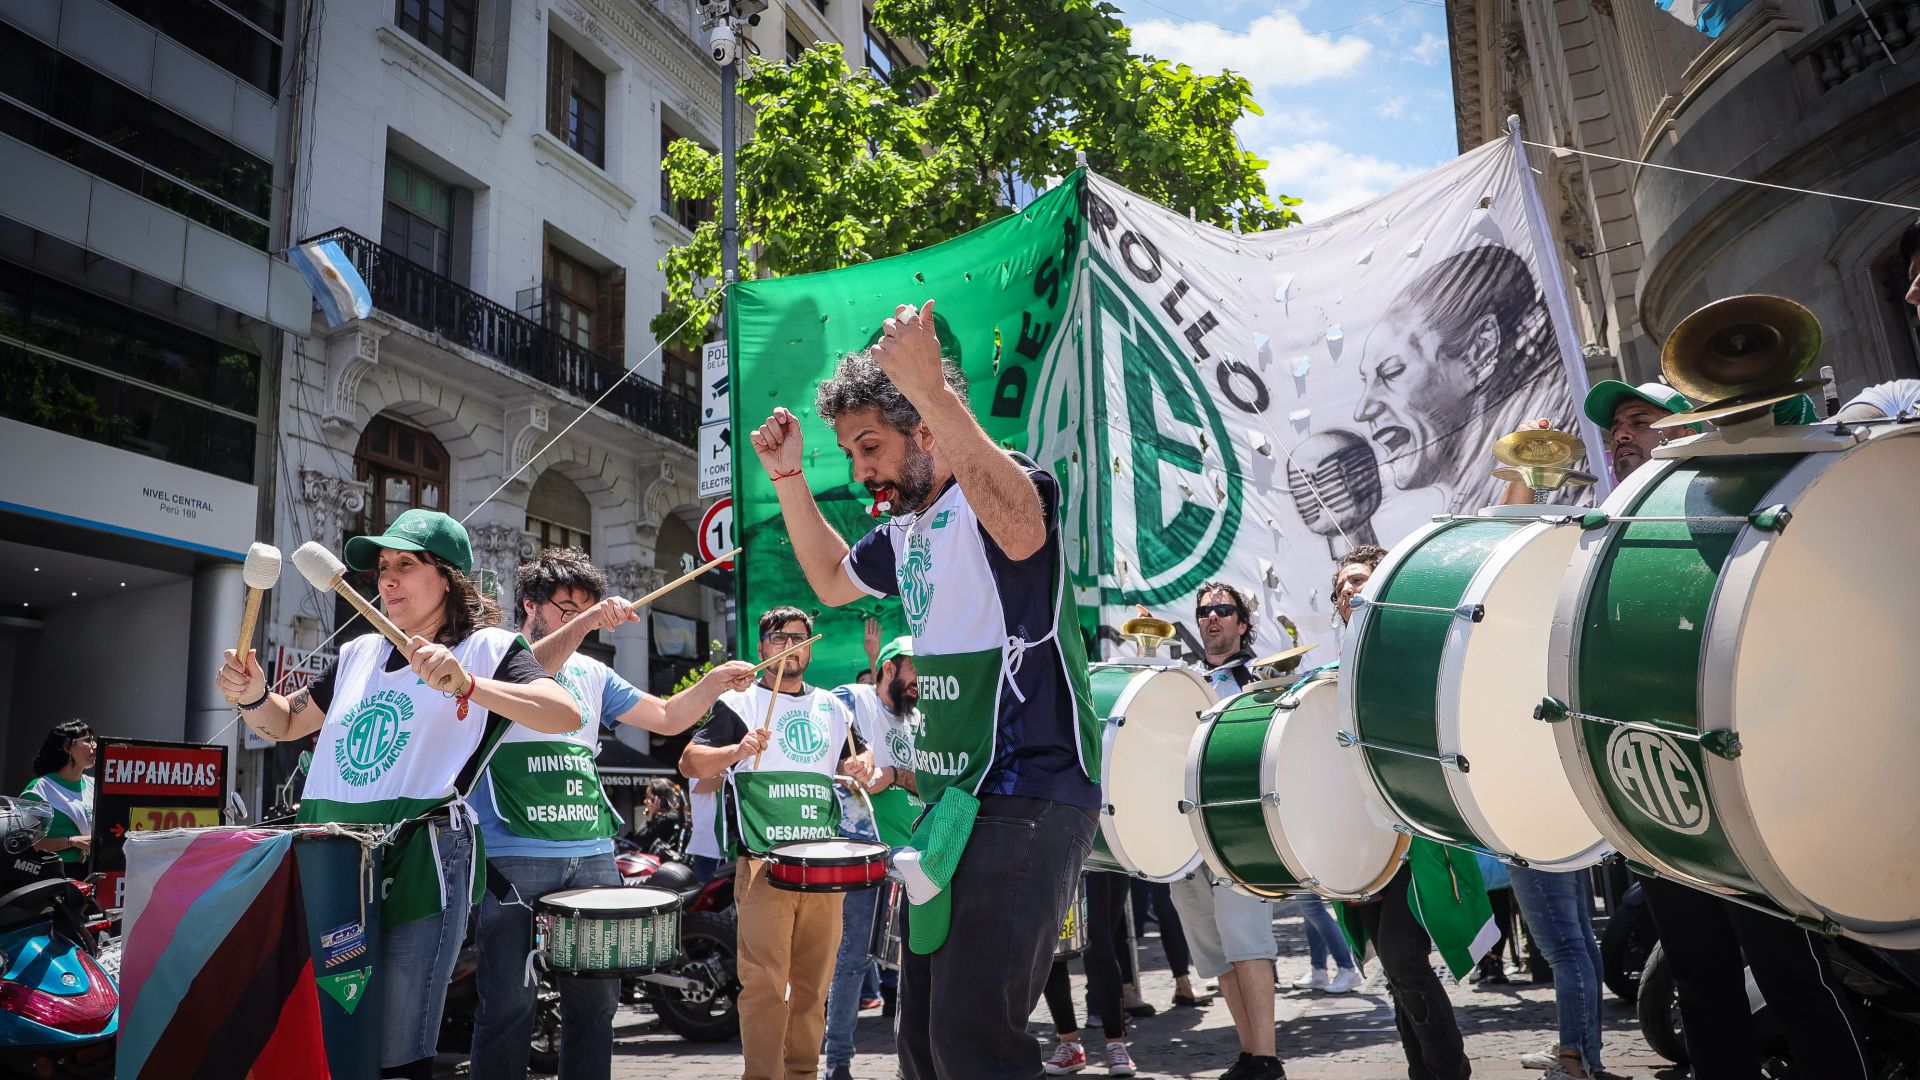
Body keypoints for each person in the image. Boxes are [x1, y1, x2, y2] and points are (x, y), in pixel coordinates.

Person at [747, 299, 1104, 1080]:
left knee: (974, 1045)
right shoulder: (904, 530)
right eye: (850, 451)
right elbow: (835, 581)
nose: (862, 469)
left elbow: (1021, 532)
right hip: (953, 806)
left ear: (927, 429)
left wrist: (936, 390)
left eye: (870, 445)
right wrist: (788, 479)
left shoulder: (1004, 489)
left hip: (1030, 790)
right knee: (924, 1048)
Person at [1558, 380, 1872, 1080]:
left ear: (1693, 426)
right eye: (1615, 430)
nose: (1621, 438)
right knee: (1702, 985)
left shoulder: (1749, 500)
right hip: (1664, 798)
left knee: (1795, 980)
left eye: (1641, 420)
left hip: (1755, 795)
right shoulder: (1608, 530)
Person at [216, 509, 582, 1080]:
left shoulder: (486, 647)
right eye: (382, 567)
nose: (386, 580)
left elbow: (564, 713)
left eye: (405, 565)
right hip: (332, 851)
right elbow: (284, 723)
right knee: (333, 1027)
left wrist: (466, 683)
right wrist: (253, 696)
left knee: (396, 1047)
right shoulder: (359, 653)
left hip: (423, 855)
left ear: (449, 578)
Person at [466, 548, 753, 1080]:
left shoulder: (594, 674)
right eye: (565, 607)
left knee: (597, 1005)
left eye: (585, 607)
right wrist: (592, 621)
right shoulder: (494, 659)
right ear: (530, 605)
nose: (577, 617)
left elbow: (665, 716)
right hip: (512, 853)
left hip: (592, 854)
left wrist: (712, 684)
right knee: (508, 1006)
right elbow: (536, 667)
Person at [680, 606, 883, 1080]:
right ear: (762, 647)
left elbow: (863, 756)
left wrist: (863, 765)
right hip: (763, 866)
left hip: (822, 868)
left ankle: (803, 1074)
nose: (790, 644)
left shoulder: (832, 707)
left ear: (810, 647)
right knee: (765, 986)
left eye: (800, 637)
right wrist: (737, 750)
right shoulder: (741, 703)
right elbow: (690, 762)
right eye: (779, 637)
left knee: (814, 987)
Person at [1327, 544, 1478, 1080]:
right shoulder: (1330, 673)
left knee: (1404, 958)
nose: (1349, 588)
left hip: (1412, 835)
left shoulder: (1408, 652)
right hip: (1363, 842)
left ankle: (1449, 1071)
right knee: (1394, 967)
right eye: (1342, 584)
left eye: (1361, 579)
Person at [1163, 582, 1294, 1080]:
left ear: (1242, 622)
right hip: (1186, 834)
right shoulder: (1184, 682)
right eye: (1204, 612)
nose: (1211, 618)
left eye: (1223, 610)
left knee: (1247, 942)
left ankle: (1268, 1057)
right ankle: (1249, 1053)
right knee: (1214, 951)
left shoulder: (1262, 681)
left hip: (1237, 830)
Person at [1355, 245, 1577, 515]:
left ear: (1480, 348)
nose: (1362, 411)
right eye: (1366, 381)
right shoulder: (1474, 502)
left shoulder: (1559, 466)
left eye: (1391, 373)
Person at [822, 625, 925, 1080]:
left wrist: (893, 772)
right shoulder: (853, 699)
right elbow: (826, 720)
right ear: (888, 669)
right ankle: (837, 1063)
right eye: (916, 673)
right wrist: (855, 762)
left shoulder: (920, 719)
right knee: (853, 959)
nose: (922, 684)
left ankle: (915, 1061)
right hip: (861, 847)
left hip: (914, 849)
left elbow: (930, 782)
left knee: (917, 960)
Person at [21, 720, 96, 879]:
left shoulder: (94, 785)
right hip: (54, 875)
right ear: (68, 747)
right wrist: (72, 841)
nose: (94, 745)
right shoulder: (39, 790)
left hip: (92, 872)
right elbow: (26, 845)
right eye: (88, 740)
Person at [634, 777, 689, 854]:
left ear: (662, 800)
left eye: (649, 798)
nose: (645, 801)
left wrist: (649, 817)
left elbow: (640, 841)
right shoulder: (665, 818)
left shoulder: (667, 819)